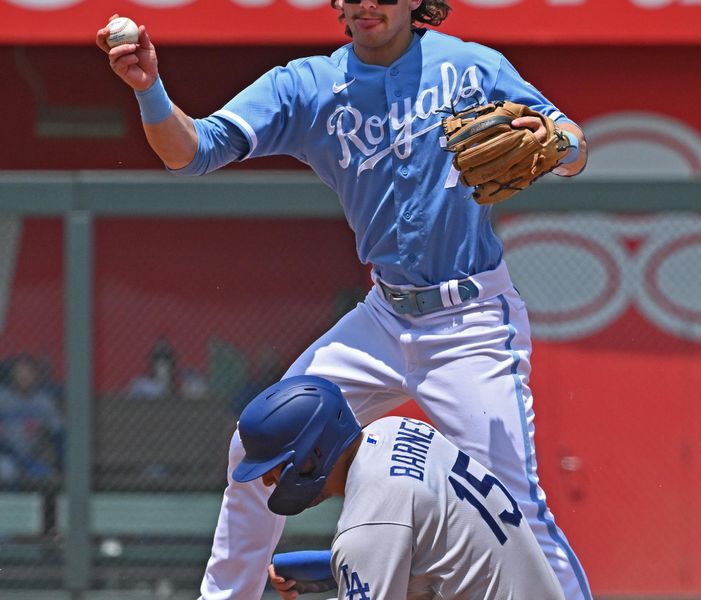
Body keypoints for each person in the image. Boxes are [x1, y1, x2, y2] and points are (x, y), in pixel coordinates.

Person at [95, 1, 590, 598]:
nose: (365, 5)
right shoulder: (309, 86)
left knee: (516, 508)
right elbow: (192, 152)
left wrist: (554, 142)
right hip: (384, 317)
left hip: (472, 321)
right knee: (259, 447)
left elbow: (573, 144)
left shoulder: (471, 67)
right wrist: (150, 91)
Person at [235, 375, 565, 600]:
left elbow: (376, 536)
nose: (267, 479)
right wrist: (336, 567)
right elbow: (429, 543)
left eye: (275, 465)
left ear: (314, 453)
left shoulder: (367, 530)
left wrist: (356, 565)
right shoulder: (395, 430)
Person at [0, 354, 64, 485]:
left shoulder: (43, 402)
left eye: (28, 373)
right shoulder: (3, 397)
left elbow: (59, 434)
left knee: (49, 477)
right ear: (12, 376)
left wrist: (63, 466)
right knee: (7, 470)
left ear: (36, 375)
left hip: (30, 457)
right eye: (19, 373)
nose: (24, 377)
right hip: (5, 454)